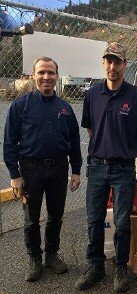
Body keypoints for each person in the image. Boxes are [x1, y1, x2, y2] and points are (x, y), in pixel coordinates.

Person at [75, 42, 137, 292]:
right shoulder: (92, 95)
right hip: (97, 166)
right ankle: (95, 266)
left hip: (123, 168)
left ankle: (120, 266)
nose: (112, 66)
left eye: (117, 61)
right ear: (103, 64)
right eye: (108, 61)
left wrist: (128, 152)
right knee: (94, 219)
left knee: (122, 221)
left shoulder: (136, 95)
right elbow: (90, 128)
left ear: (124, 65)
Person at [3, 57, 82, 282]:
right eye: (42, 72)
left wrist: (76, 170)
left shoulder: (65, 108)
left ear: (57, 76)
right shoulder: (20, 106)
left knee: (56, 217)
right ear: (33, 75)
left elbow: (75, 142)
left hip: (58, 170)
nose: (46, 77)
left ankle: (52, 256)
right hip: (30, 171)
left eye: (51, 72)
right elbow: (9, 142)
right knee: (31, 219)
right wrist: (14, 174)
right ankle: (34, 259)